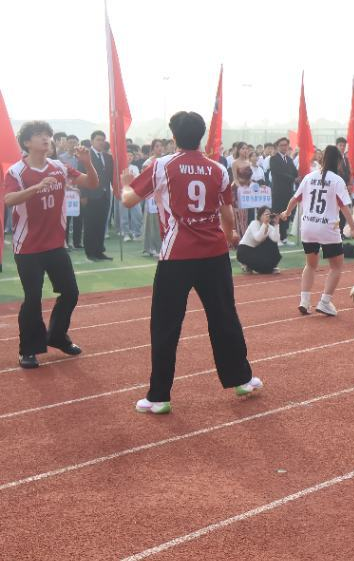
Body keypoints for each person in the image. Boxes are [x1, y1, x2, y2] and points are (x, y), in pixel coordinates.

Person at [121, 111, 262, 414]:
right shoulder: (217, 168)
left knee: (165, 325)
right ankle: (242, 379)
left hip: (177, 255)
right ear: (202, 135)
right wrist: (228, 236)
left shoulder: (161, 165)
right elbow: (227, 214)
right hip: (214, 253)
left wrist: (124, 184)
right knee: (224, 317)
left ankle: (159, 396)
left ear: (173, 136)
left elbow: (129, 200)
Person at [4, 121, 99, 369]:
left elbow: (92, 183)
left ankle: (57, 336)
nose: (46, 139)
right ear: (27, 142)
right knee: (33, 298)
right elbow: (9, 199)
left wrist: (87, 162)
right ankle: (28, 350)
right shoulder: (16, 171)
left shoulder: (59, 167)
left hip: (56, 244)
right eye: (39, 135)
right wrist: (36, 188)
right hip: (28, 246)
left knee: (70, 293)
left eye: (48, 135)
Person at [280, 146, 354, 315]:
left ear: (322, 159)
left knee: (310, 265)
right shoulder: (337, 180)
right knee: (336, 266)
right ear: (338, 161)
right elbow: (344, 207)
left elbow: (295, 199)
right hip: (327, 227)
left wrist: (286, 213)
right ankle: (324, 302)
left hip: (308, 226)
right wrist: (353, 228)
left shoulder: (309, 177)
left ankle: (304, 301)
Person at [80, 129, 114, 261]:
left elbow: (111, 176)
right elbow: (80, 174)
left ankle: (100, 251)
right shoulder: (86, 156)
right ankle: (90, 253)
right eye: (98, 140)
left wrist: (117, 189)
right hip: (90, 195)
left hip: (105, 195)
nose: (101, 142)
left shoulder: (108, 157)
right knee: (90, 225)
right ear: (92, 141)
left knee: (101, 224)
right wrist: (83, 195)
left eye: (103, 140)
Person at [269, 137, 299, 245]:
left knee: (286, 214)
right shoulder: (274, 159)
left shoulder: (289, 159)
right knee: (276, 214)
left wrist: (300, 175)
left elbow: (295, 172)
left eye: (286, 145)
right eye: (281, 145)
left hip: (288, 191)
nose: (284, 147)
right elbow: (278, 173)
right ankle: (276, 238)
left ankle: (284, 237)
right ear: (277, 147)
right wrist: (293, 179)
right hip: (278, 191)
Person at [236, 207, 282, 274]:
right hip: (244, 251)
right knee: (263, 269)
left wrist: (276, 224)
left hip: (255, 250)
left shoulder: (269, 227)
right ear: (260, 216)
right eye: (266, 214)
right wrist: (264, 224)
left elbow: (276, 239)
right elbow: (258, 238)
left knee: (272, 243)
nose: (268, 216)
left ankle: (253, 267)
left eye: (269, 214)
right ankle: (247, 265)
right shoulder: (254, 223)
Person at [141, 139, 165, 258]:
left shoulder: (166, 160)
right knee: (152, 221)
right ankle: (151, 247)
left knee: (162, 221)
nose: (159, 148)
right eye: (157, 146)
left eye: (161, 146)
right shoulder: (148, 163)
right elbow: (145, 180)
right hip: (152, 195)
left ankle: (161, 246)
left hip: (163, 195)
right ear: (152, 149)